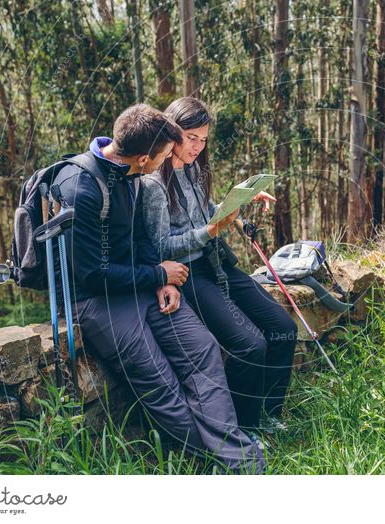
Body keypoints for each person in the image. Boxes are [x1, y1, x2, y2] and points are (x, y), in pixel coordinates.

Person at [53, 103, 264, 473]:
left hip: (144, 282)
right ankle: (225, 464)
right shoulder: (82, 189)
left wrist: (160, 277)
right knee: (163, 386)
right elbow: (91, 274)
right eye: (167, 154)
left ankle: (238, 458)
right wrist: (155, 276)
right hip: (100, 301)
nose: (171, 160)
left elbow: (142, 235)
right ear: (146, 157)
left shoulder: (130, 170)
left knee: (203, 350)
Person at [140, 97, 297, 444]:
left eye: (204, 139)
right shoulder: (153, 184)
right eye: (191, 137)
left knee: (283, 327)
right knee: (249, 345)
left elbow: (206, 209)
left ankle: (269, 414)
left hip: (217, 263)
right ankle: (244, 427)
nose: (198, 146)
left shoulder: (195, 168)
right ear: (172, 132)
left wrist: (237, 207)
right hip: (189, 274)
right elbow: (160, 246)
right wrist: (209, 231)